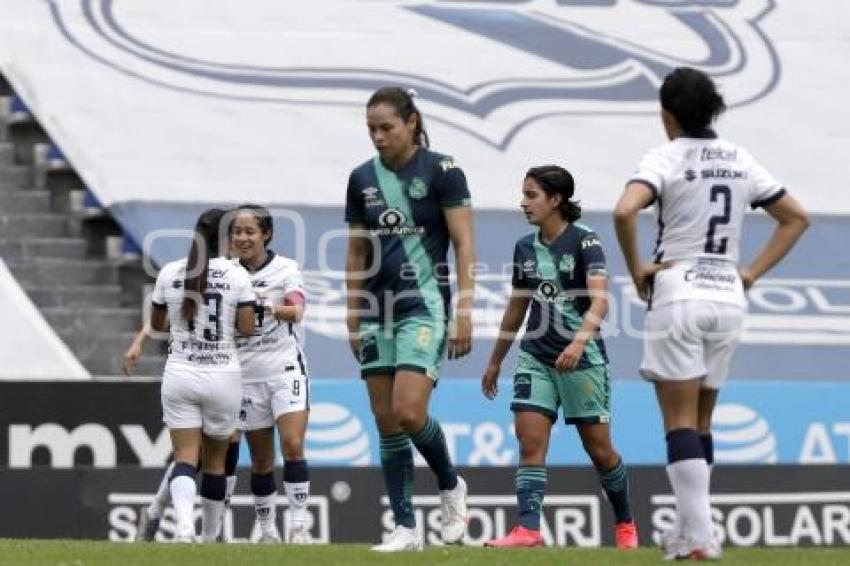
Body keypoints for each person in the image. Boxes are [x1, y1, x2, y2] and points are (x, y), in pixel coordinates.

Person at [612, 67, 809, 559]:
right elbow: (796, 218)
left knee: (678, 421)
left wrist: (637, 267)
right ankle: (687, 534)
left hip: (680, 292)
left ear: (667, 114)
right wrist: (751, 273)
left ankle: (702, 536)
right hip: (728, 295)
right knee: (701, 422)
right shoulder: (740, 158)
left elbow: (624, 210)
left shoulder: (665, 156)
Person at [344, 86, 475, 552]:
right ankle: (405, 529)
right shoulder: (362, 178)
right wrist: (351, 312)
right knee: (384, 420)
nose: (378, 137)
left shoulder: (443, 170)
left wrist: (464, 309)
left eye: (387, 128)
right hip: (376, 309)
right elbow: (357, 250)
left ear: (412, 122)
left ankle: (450, 484)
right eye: (371, 129)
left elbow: (463, 243)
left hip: (425, 306)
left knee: (408, 411)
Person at [481, 165, 638, 550]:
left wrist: (578, 343)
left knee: (599, 449)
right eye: (523, 194)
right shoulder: (524, 248)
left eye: (531, 195)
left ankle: (625, 525)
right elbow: (517, 308)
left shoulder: (586, 242)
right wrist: (495, 360)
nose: (523, 203)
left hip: (581, 359)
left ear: (556, 200)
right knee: (529, 438)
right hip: (535, 356)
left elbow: (601, 301)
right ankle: (529, 529)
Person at [150, 208, 256, 542]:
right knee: (215, 461)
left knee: (184, 458)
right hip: (223, 375)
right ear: (226, 237)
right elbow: (247, 328)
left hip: (180, 373)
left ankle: (182, 528)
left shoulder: (170, 272)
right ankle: (210, 539)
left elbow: (156, 326)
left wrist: (183, 325)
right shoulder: (238, 276)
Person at [229, 204, 312, 544]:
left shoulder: (285, 269)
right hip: (244, 374)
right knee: (262, 459)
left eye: (250, 232)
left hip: (283, 367)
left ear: (266, 235)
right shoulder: (226, 273)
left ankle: (299, 526)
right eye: (237, 231)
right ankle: (267, 530)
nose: (243, 238)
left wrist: (267, 306)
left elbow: (296, 310)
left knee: (293, 445)